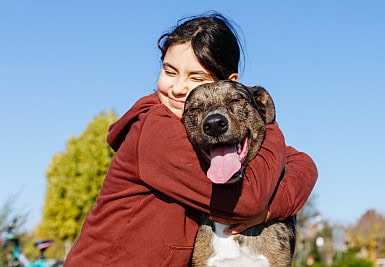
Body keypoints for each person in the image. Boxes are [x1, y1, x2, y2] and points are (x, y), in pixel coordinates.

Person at [64, 12, 317, 267]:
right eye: (169, 71)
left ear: (226, 83)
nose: (177, 87)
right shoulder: (154, 129)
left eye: (196, 78)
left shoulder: (194, 126)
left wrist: (273, 208)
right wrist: (266, 122)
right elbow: (248, 201)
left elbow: (303, 163)